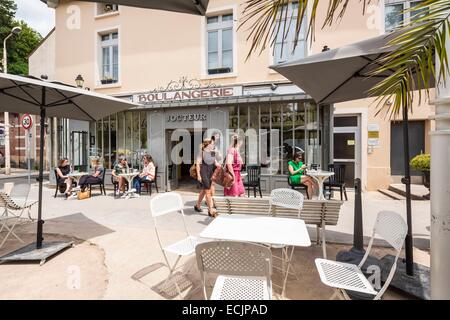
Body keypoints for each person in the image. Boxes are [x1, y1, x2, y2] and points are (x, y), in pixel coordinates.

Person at [195, 131, 222, 210]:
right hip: (203, 171)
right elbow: (197, 163)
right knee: (208, 191)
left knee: (204, 190)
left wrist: (218, 165)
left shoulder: (212, 152)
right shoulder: (202, 152)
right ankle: (210, 209)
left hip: (210, 171)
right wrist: (199, 175)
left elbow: (215, 161)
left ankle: (197, 205)